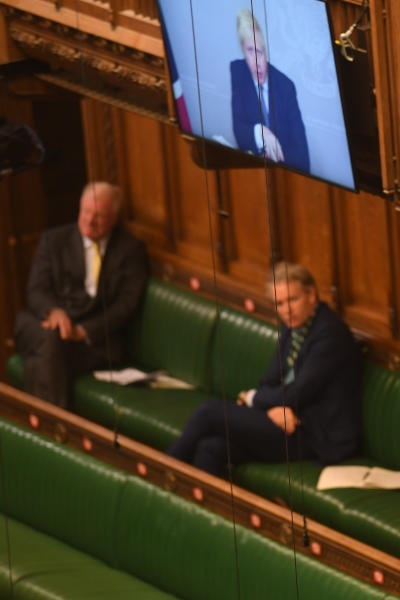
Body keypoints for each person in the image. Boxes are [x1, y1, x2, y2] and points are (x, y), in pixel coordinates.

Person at [167, 262, 361, 478]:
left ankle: (163, 474)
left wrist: (254, 399)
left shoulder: (330, 334)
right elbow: (269, 381)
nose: (286, 310)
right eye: (279, 303)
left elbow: (299, 392)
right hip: (285, 420)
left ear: (311, 295)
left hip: (315, 435)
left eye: (292, 300)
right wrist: (273, 408)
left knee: (209, 412)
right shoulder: (292, 328)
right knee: (211, 448)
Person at [14, 182, 148, 409]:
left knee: (47, 352)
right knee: (51, 338)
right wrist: (55, 313)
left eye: (98, 215)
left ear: (113, 219)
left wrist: (84, 331)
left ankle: (46, 427)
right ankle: (56, 425)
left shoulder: (130, 250)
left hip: (93, 339)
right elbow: (36, 290)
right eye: (85, 211)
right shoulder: (54, 240)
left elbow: (126, 305)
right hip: (46, 323)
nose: (89, 220)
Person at [230, 8, 310, 173]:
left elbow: (303, 157)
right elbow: (239, 131)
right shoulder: (237, 71)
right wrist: (260, 132)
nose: (257, 62)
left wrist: (273, 155)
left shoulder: (286, 87)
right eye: (250, 51)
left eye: (261, 52)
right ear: (242, 50)